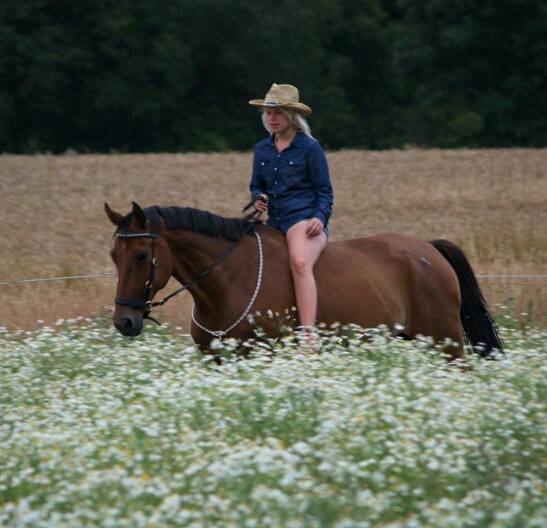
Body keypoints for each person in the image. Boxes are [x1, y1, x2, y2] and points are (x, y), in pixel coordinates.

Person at [248, 83, 334, 339]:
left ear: (292, 116)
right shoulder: (262, 148)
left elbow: (325, 191)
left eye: (278, 113)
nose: (272, 118)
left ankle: (308, 335)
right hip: (274, 221)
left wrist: (319, 217)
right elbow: (256, 185)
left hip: (302, 218)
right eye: (268, 113)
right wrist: (257, 198)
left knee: (299, 261)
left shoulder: (310, 148)